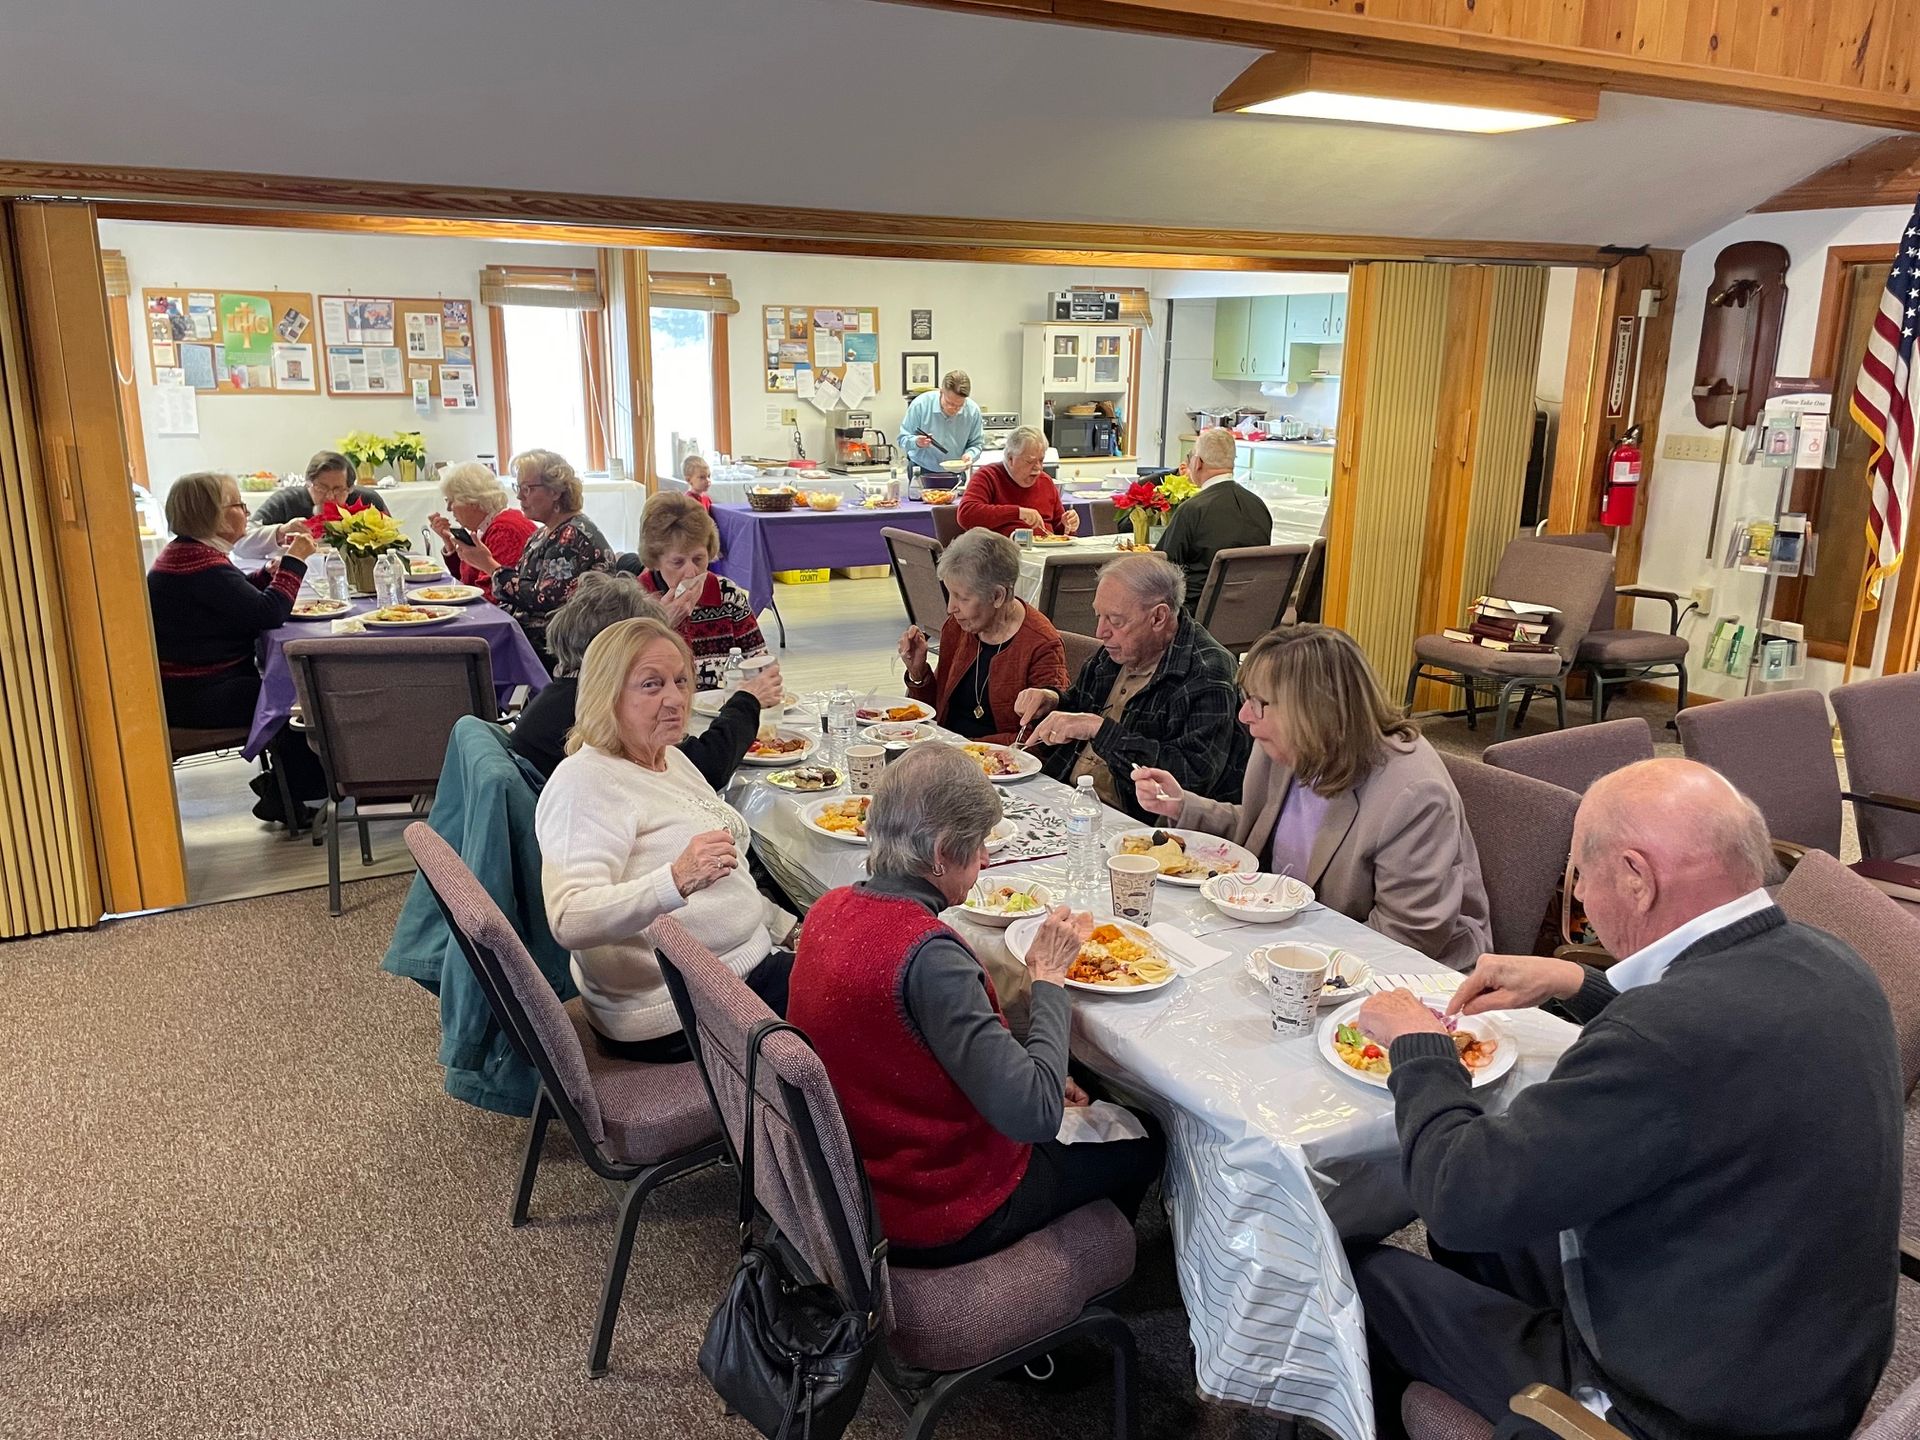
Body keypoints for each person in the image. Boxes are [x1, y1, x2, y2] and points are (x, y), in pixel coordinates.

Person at [1347, 758, 1901, 1440]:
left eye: (1580, 871)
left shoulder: (1663, 1036)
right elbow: (1708, 1059)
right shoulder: (1834, 963)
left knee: (1358, 1272)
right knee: (1492, 1239)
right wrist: (1575, 984)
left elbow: (1457, 1194)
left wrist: (1417, 1046)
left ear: (1636, 878)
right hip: (1801, 1356)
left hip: (1679, 1409)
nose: (1576, 896)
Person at [787, 743, 1162, 1264]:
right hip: (933, 1208)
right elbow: (1035, 1115)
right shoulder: (927, 955)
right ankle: (1090, 1279)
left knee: (1081, 1090)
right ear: (942, 851)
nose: (986, 859)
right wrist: (1048, 977)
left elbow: (915, 1041)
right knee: (1150, 1138)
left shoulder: (829, 908)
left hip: (852, 1177)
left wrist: (1032, 1065)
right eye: (980, 844)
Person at [1132, 625, 1489, 970]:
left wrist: (1283, 958)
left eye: (1258, 703)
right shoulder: (1288, 747)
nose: (1243, 716)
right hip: (1292, 932)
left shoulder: (1412, 796)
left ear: (1313, 709)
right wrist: (1183, 806)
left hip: (1397, 971)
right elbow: (1265, 831)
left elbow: (1406, 939)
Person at [536, 617, 795, 1061]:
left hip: (735, 967)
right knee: (873, 998)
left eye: (679, 680)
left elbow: (728, 881)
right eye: (651, 685)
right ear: (607, 694)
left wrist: (786, 926)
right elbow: (569, 917)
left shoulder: (668, 758)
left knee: (861, 956)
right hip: (678, 1009)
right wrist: (674, 879)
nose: (675, 698)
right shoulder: (586, 782)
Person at [147, 471, 325, 821]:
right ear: (211, 514)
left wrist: (266, 576)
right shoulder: (200, 564)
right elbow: (268, 613)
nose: (245, 511)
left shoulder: (189, 555)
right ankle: (294, 793)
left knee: (287, 687)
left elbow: (233, 598)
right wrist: (295, 560)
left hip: (190, 688)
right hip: (199, 696)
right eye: (237, 505)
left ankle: (286, 786)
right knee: (298, 695)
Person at [1015, 553, 1247, 820]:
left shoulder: (1207, 672)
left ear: (1158, 617)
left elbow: (1191, 779)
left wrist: (1100, 730)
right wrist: (1052, 700)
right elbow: (1080, 705)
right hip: (1066, 797)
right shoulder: (1119, 650)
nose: (1100, 632)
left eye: (1115, 620)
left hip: (1135, 824)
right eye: (1098, 616)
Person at [512, 572, 784, 787]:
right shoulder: (593, 711)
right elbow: (705, 768)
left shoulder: (560, 696)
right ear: (611, 646)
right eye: (651, 681)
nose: (676, 697)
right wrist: (747, 701)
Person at [897, 529, 1068, 743]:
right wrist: (918, 672)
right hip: (946, 748)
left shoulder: (1041, 644)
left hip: (999, 763)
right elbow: (936, 711)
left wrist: (969, 749)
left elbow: (1041, 739)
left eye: (962, 598)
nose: (951, 608)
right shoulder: (959, 626)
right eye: (950, 593)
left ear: (998, 596)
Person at [449, 449, 613, 665]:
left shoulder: (572, 535)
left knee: (461, 651)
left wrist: (490, 566)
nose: (519, 496)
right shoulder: (544, 532)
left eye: (527, 488)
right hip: (534, 637)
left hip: (563, 648)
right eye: (518, 488)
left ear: (555, 491)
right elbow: (523, 584)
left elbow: (543, 600)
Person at [633, 492, 767, 691]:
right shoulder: (635, 600)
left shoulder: (727, 595)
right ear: (655, 560)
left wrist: (763, 683)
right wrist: (661, 624)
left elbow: (760, 664)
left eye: (698, 559)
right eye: (677, 562)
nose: (691, 572)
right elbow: (624, 682)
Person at [1155, 426, 1270, 608]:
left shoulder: (1193, 510)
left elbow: (1162, 566)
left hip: (1194, 615)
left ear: (1198, 463)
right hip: (1250, 611)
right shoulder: (1259, 506)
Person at [233, 449, 389, 559]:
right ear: (308, 484)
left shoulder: (368, 501)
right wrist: (281, 531)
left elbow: (394, 546)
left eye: (338, 489)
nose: (329, 497)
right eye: (321, 488)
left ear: (350, 488)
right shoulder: (286, 501)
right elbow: (240, 543)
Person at [427, 461, 536, 602]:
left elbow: (491, 596)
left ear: (472, 501)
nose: (448, 508)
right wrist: (449, 542)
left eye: (451, 501)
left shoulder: (505, 530)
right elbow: (466, 579)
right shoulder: (488, 527)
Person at [956, 425, 1079, 538]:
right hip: (1001, 555)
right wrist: (1017, 512)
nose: (1038, 468)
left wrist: (1067, 525)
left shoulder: (1045, 481)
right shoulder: (987, 476)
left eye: (1041, 461)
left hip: (1045, 555)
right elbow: (966, 515)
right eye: (1030, 462)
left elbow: (1058, 532)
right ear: (1010, 459)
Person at [897, 368, 985, 478]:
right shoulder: (920, 405)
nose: (953, 408)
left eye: (959, 405)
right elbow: (902, 439)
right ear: (941, 391)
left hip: (956, 472)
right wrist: (916, 442)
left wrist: (970, 455)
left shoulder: (972, 411)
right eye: (949, 402)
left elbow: (977, 444)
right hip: (921, 470)